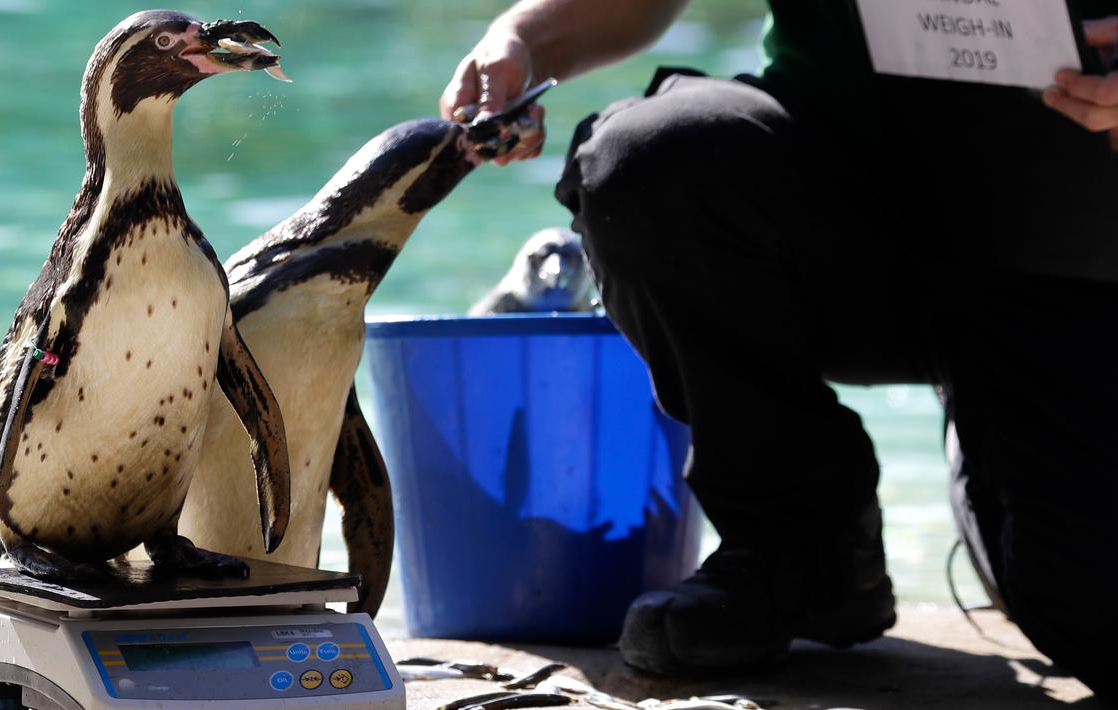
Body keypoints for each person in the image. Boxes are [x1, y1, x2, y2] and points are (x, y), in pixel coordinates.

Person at [440, 0, 1118, 700]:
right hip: (844, 209)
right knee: (653, 158)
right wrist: (521, 38)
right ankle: (799, 548)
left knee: (1087, 610)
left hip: (1078, 251)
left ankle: (1001, 443)